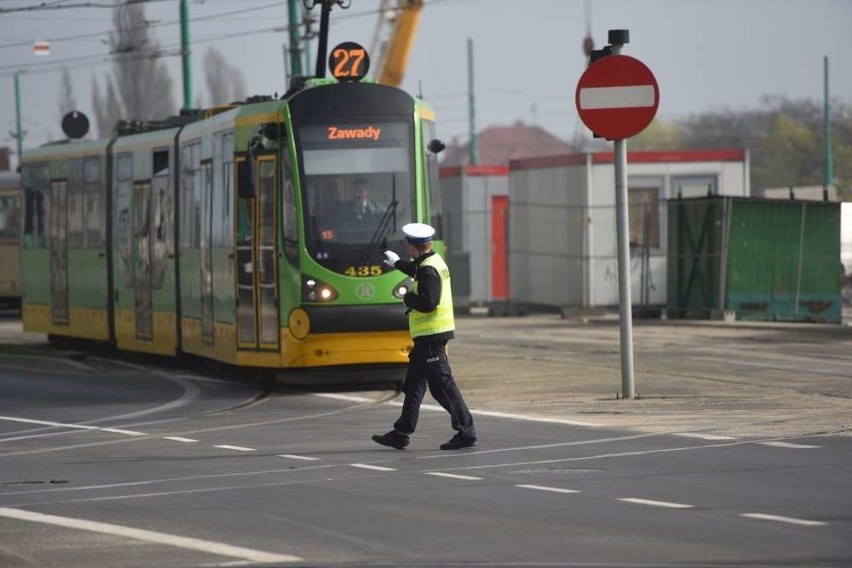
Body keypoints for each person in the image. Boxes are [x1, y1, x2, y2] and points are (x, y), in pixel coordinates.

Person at [372, 223, 477, 451]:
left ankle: (466, 432)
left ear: (414, 247)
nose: (408, 249)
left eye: (408, 245)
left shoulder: (429, 270)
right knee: (413, 386)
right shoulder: (431, 262)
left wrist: (409, 298)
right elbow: (415, 269)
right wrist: (397, 263)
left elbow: (429, 303)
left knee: (442, 387)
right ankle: (401, 433)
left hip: (432, 337)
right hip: (425, 339)